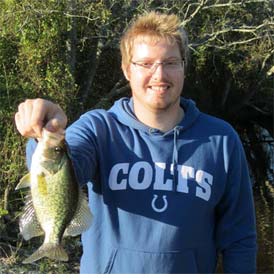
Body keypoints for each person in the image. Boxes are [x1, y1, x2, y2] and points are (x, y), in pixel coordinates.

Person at [15, 12, 257, 274]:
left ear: (184, 67)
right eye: (145, 63)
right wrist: (45, 130)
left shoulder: (221, 139)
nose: (159, 75)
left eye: (171, 62)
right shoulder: (98, 128)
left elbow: (239, 238)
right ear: (126, 69)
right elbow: (66, 168)